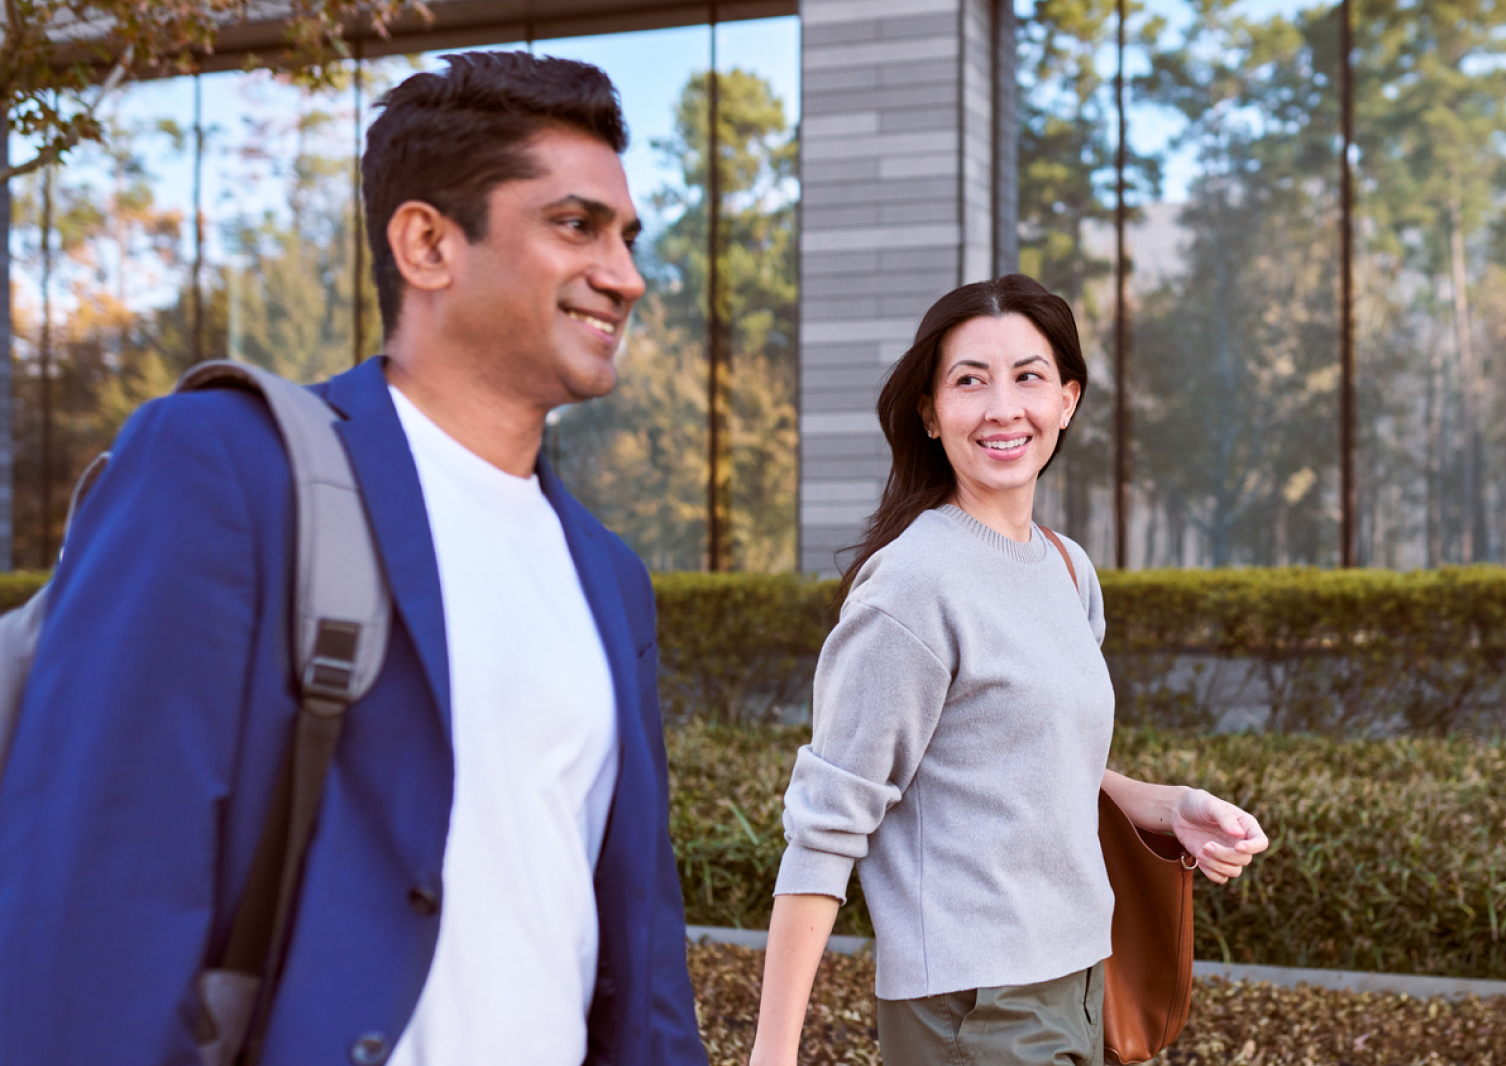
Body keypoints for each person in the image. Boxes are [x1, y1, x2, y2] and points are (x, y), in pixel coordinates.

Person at [0, 53, 706, 1066]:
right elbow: (93, 903)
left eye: (628, 238)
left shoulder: (609, 575)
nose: (625, 275)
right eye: (575, 224)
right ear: (427, 243)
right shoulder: (227, 469)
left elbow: (640, 958)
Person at [748, 275, 1270, 1066]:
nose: (1002, 408)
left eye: (1028, 377)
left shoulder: (1066, 568)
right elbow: (826, 827)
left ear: (1066, 400)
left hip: (1083, 980)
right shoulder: (912, 585)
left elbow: (1027, 758)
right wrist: (772, 1056)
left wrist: (1163, 806)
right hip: (975, 1008)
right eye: (969, 381)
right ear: (930, 411)